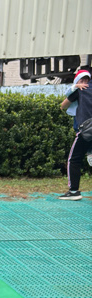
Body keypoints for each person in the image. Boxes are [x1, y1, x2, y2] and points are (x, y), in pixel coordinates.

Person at [59, 67, 91, 200]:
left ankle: (73, 192)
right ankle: (90, 153)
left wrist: (75, 87)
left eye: (85, 80)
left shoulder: (79, 90)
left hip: (86, 130)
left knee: (74, 159)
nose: (84, 83)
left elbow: (63, 106)